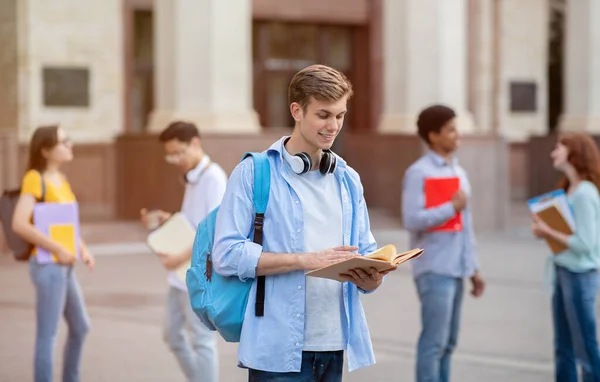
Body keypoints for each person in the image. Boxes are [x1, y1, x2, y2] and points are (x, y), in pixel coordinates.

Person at [212, 64, 392, 382]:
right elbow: (226, 254)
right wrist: (307, 260)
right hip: (276, 352)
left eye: (340, 115)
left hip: (334, 346)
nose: (333, 125)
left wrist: (371, 278)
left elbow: (366, 249)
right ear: (297, 110)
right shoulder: (254, 173)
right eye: (323, 115)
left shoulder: (348, 179)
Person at [401, 105, 485, 382]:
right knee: (434, 343)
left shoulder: (458, 171)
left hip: (458, 267)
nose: (457, 135)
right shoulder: (419, 172)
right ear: (434, 135)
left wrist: (473, 268)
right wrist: (451, 207)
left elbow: (466, 225)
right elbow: (411, 219)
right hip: (434, 268)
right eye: (451, 130)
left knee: (448, 344)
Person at [140, 121, 227, 382]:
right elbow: (192, 223)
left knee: (202, 340)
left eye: (179, 152)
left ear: (195, 143)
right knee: (172, 334)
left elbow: (213, 231)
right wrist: (166, 219)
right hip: (182, 273)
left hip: (198, 273)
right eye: (171, 155)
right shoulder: (193, 177)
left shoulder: (213, 178)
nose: (175, 159)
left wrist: (179, 256)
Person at [12, 125, 94, 382]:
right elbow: (19, 223)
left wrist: (82, 248)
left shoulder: (61, 179)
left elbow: (66, 224)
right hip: (48, 266)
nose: (69, 145)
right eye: (63, 141)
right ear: (46, 150)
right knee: (48, 335)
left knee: (80, 327)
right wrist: (58, 248)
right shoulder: (34, 179)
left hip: (64, 266)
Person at [531, 132, 600, 381]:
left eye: (559, 148)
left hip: (580, 275)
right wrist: (545, 232)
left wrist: (548, 230)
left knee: (585, 347)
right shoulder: (570, 189)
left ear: (574, 153)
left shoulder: (585, 193)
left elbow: (585, 243)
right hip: (563, 270)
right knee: (564, 346)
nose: (553, 153)